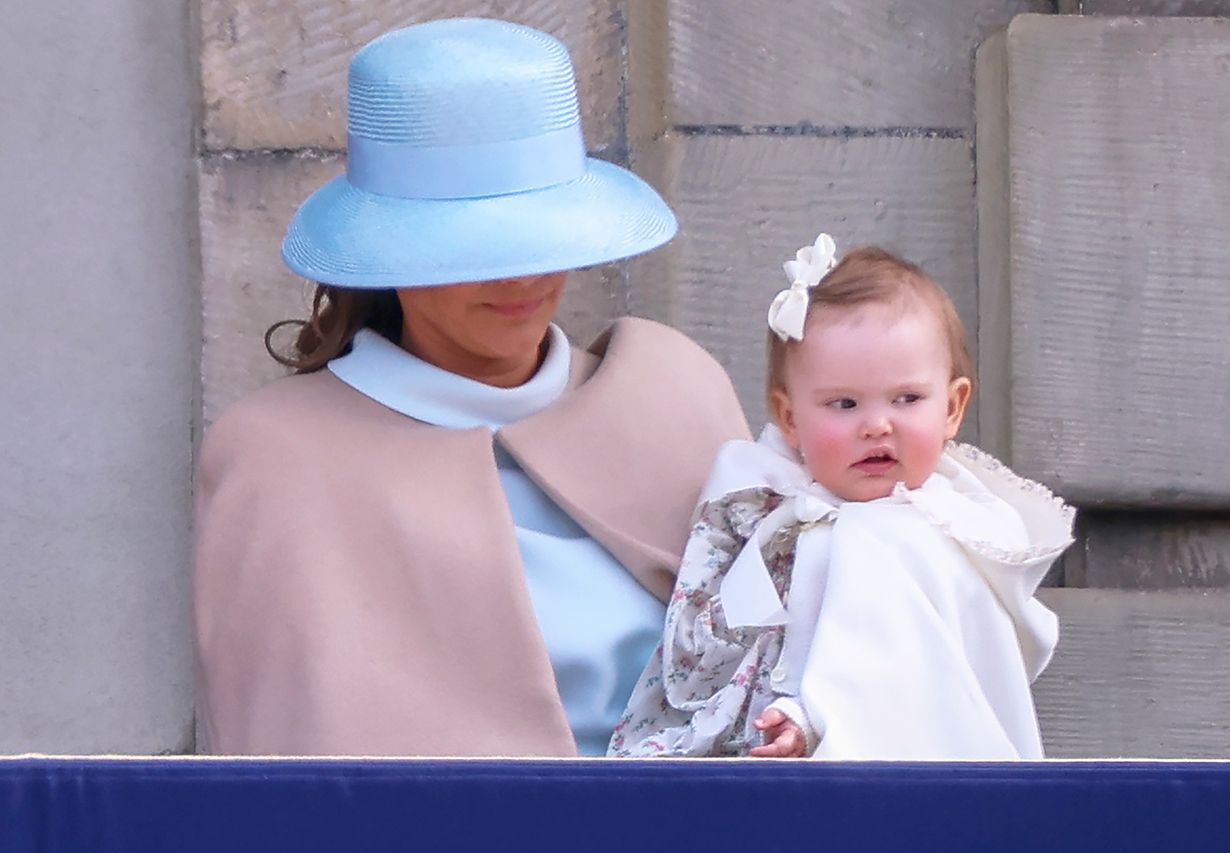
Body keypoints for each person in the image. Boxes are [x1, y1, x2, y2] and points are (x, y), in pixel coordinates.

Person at [193, 18, 749, 757]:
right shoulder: (281, 457)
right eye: (474, 245)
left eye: (542, 231)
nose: (520, 276)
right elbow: (278, 759)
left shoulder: (671, 394)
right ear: (388, 250)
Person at [609, 236, 1075, 760]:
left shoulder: (938, 537)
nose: (877, 425)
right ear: (790, 419)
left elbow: (904, 661)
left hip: (903, 763)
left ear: (952, 407)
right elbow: (708, 637)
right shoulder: (773, 513)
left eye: (907, 398)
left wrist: (815, 716)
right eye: (845, 404)